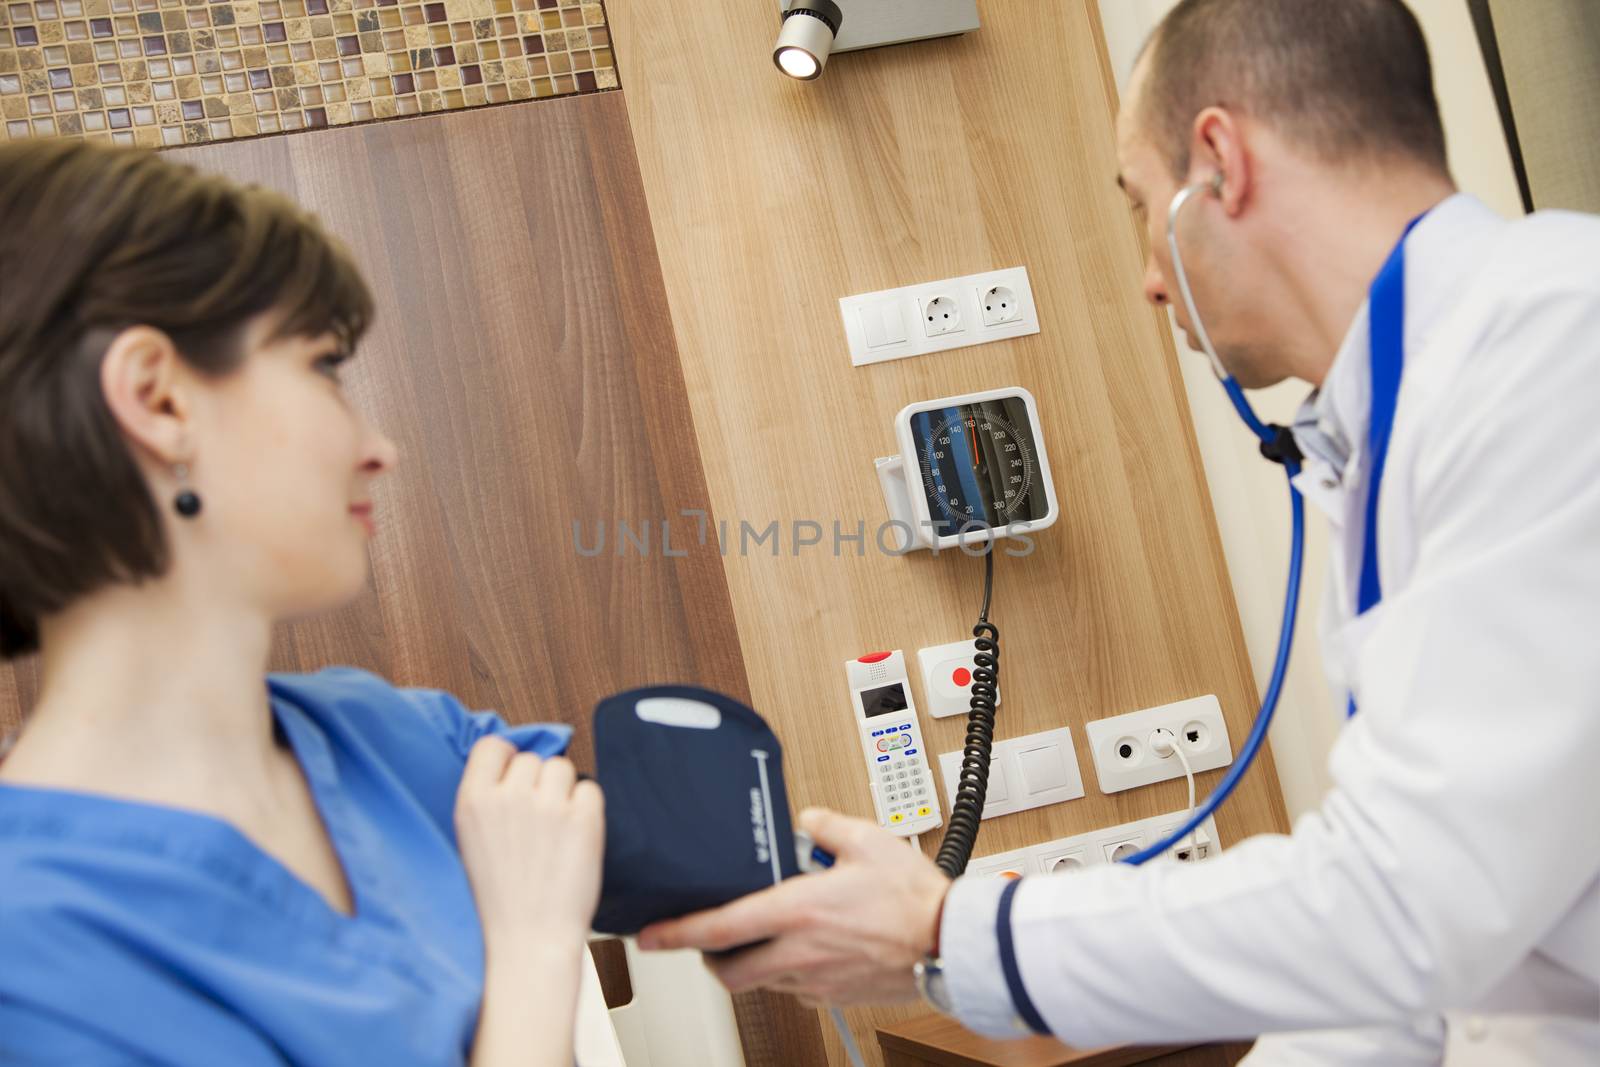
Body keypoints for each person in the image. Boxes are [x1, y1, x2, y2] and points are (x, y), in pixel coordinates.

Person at [638, 1, 1600, 1063]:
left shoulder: (1556, 341)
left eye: (1141, 204)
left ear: (1218, 164)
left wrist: (948, 929)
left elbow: (1408, 906)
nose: (1148, 277)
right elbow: (1399, 979)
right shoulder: (1401, 414)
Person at [0, 141, 604, 1066]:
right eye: (325, 366)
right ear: (159, 398)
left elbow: (677, 850)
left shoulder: (393, 740)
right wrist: (534, 955)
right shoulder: (30, 949)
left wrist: (910, 924)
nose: (379, 447)